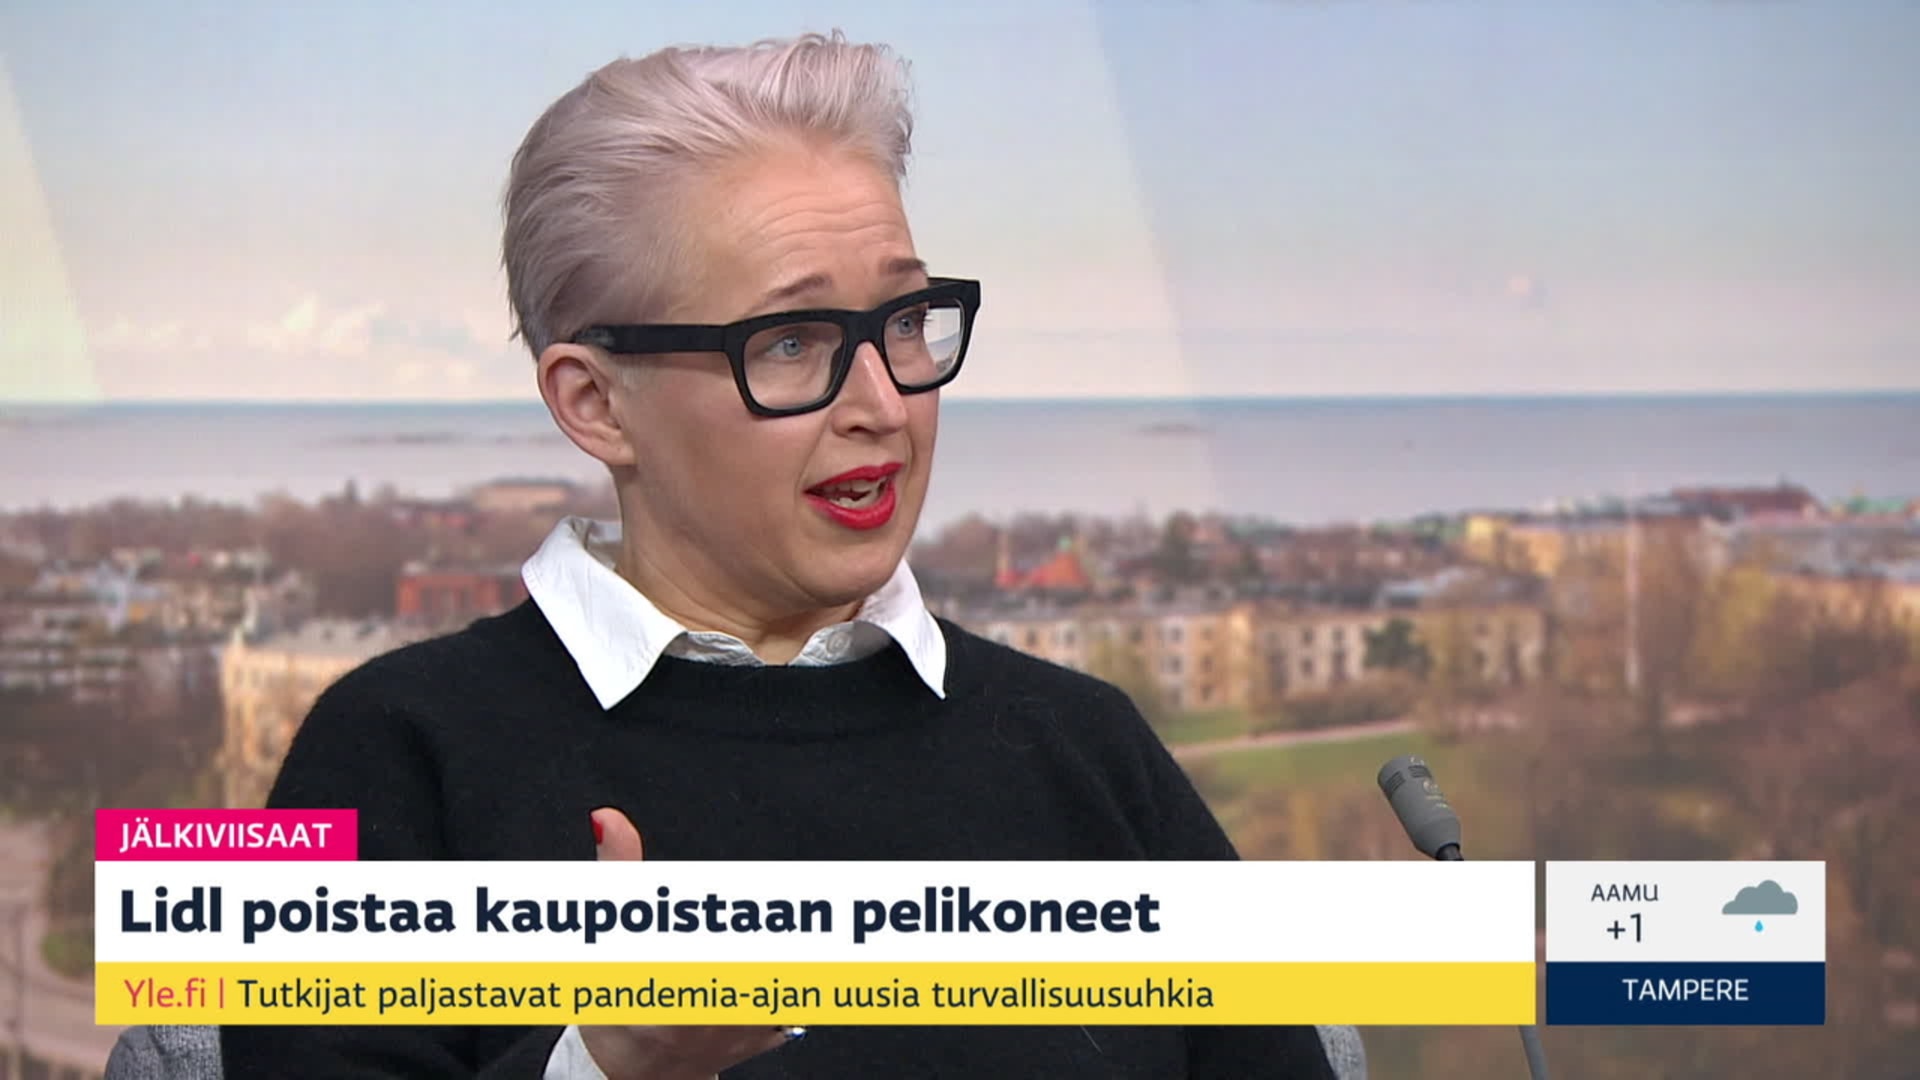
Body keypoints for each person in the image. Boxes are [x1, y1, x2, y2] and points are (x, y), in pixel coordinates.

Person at [217, 32, 1349, 1079]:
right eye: (794, 341)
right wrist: (610, 1066)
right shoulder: (392, 755)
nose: (882, 403)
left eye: (903, 322)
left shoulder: (1085, 744)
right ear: (596, 402)